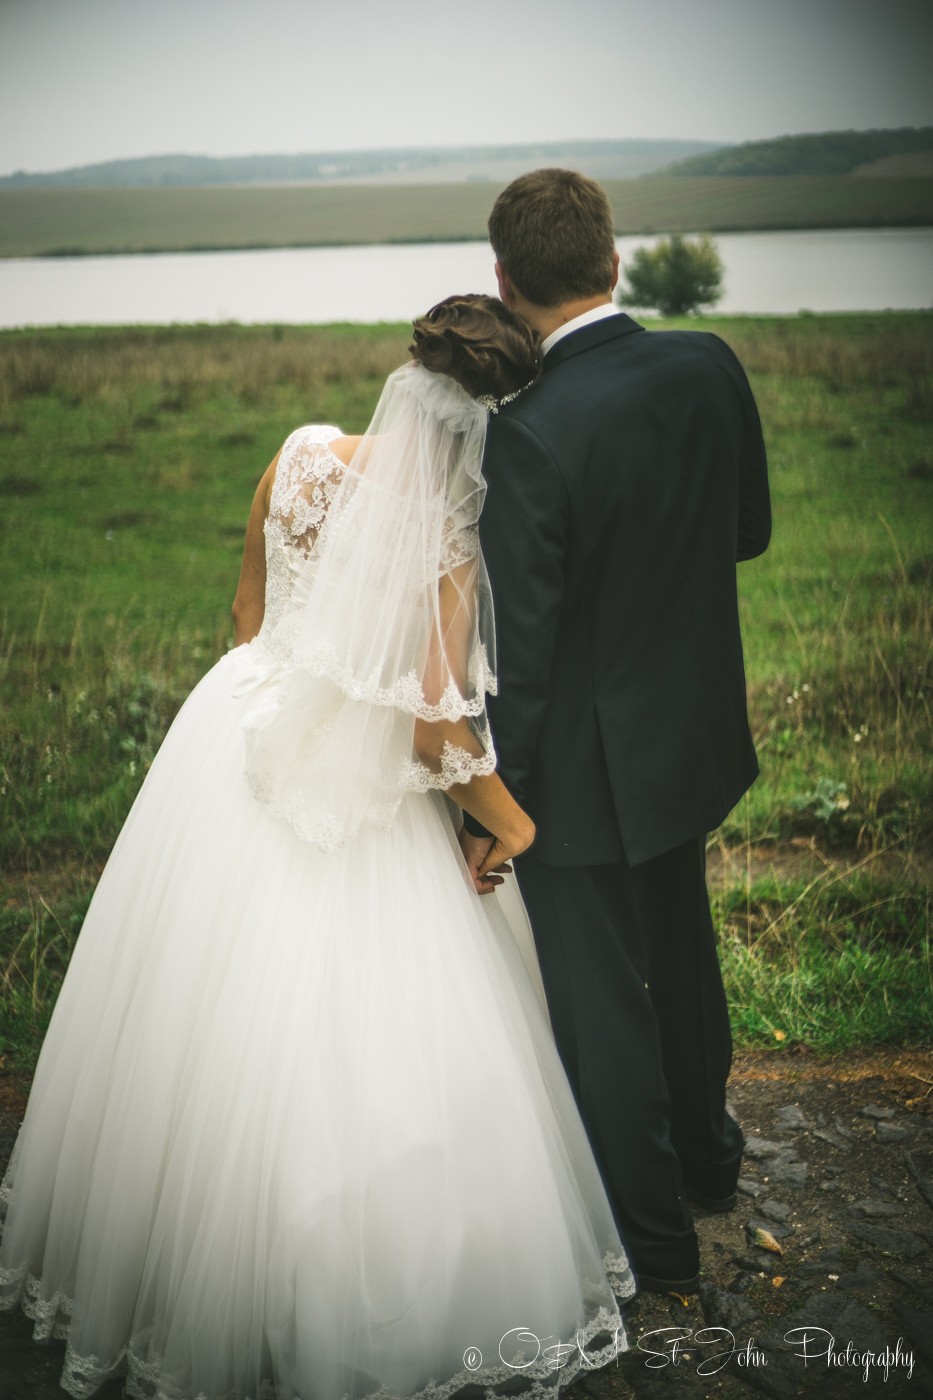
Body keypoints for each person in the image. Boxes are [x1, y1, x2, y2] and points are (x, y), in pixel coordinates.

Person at [0, 295, 635, 1399]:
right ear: (494, 418)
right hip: (355, 790)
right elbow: (437, 730)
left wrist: (305, 692)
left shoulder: (296, 456)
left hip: (232, 737)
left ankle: (163, 1269)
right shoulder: (449, 535)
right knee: (363, 1041)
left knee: (194, 1012)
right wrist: (515, 824)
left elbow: (247, 617)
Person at [460, 170, 772, 1295]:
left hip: (581, 782)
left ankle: (657, 1247)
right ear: (616, 258)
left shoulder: (526, 434)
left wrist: (498, 807)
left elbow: (521, 658)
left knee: (605, 1013)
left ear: (506, 282)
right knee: (684, 960)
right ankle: (711, 1163)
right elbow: (747, 532)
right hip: (690, 735)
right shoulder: (709, 365)